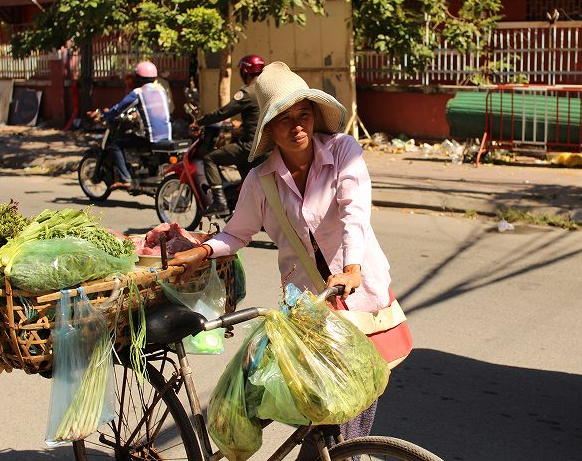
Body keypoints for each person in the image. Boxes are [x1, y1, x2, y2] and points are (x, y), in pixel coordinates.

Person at [169, 61, 411, 458]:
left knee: (358, 398)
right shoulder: (260, 180)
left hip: (360, 293)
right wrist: (202, 250)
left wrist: (351, 267)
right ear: (269, 129)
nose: (297, 126)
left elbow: (354, 213)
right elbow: (237, 233)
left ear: (314, 115)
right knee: (319, 407)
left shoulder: (342, 151)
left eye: (304, 114)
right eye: (284, 119)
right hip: (309, 310)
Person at [195, 54, 265, 215]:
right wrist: (241, 126)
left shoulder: (247, 93)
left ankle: (219, 203)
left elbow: (222, 112)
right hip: (267, 146)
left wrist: (199, 122)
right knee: (244, 171)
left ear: (245, 71)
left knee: (210, 158)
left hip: (250, 147)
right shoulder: (267, 91)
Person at [93, 60, 172, 190]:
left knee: (115, 144)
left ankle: (126, 179)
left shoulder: (138, 92)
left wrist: (104, 117)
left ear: (139, 78)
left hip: (151, 138)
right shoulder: (161, 90)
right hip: (167, 135)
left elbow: (118, 108)